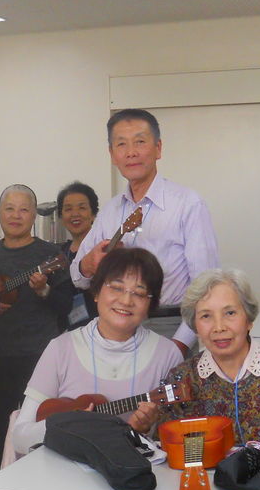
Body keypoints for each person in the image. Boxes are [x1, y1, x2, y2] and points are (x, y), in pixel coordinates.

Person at [71, 108, 219, 356]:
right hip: (116, 329)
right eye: (121, 144)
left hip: (169, 326)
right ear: (112, 154)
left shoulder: (187, 204)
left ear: (158, 148)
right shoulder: (110, 211)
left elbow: (206, 286)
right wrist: (88, 264)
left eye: (140, 142)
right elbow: (77, 276)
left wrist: (179, 344)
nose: (131, 152)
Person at [11, 248, 182, 456]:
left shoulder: (168, 354)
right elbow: (20, 438)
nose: (126, 301)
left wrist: (142, 431)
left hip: (134, 471)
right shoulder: (60, 348)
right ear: (96, 292)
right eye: (116, 287)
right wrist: (70, 426)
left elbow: (177, 441)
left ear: (151, 304)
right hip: (61, 472)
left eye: (138, 292)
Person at [161, 269, 260, 450]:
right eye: (206, 316)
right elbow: (170, 448)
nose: (219, 327)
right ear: (195, 326)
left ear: (249, 319)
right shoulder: (180, 379)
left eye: (230, 313)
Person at [0, 185, 72, 471]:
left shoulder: (51, 254)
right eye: (9, 208)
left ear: (33, 215)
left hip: (38, 356)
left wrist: (44, 290)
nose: (15, 215)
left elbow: (66, 305)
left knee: (38, 428)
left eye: (23, 209)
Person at [57, 181, 99, 329]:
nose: (75, 214)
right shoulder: (59, 253)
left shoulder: (101, 250)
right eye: (68, 209)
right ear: (61, 216)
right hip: (68, 331)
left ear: (93, 214)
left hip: (100, 328)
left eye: (82, 208)